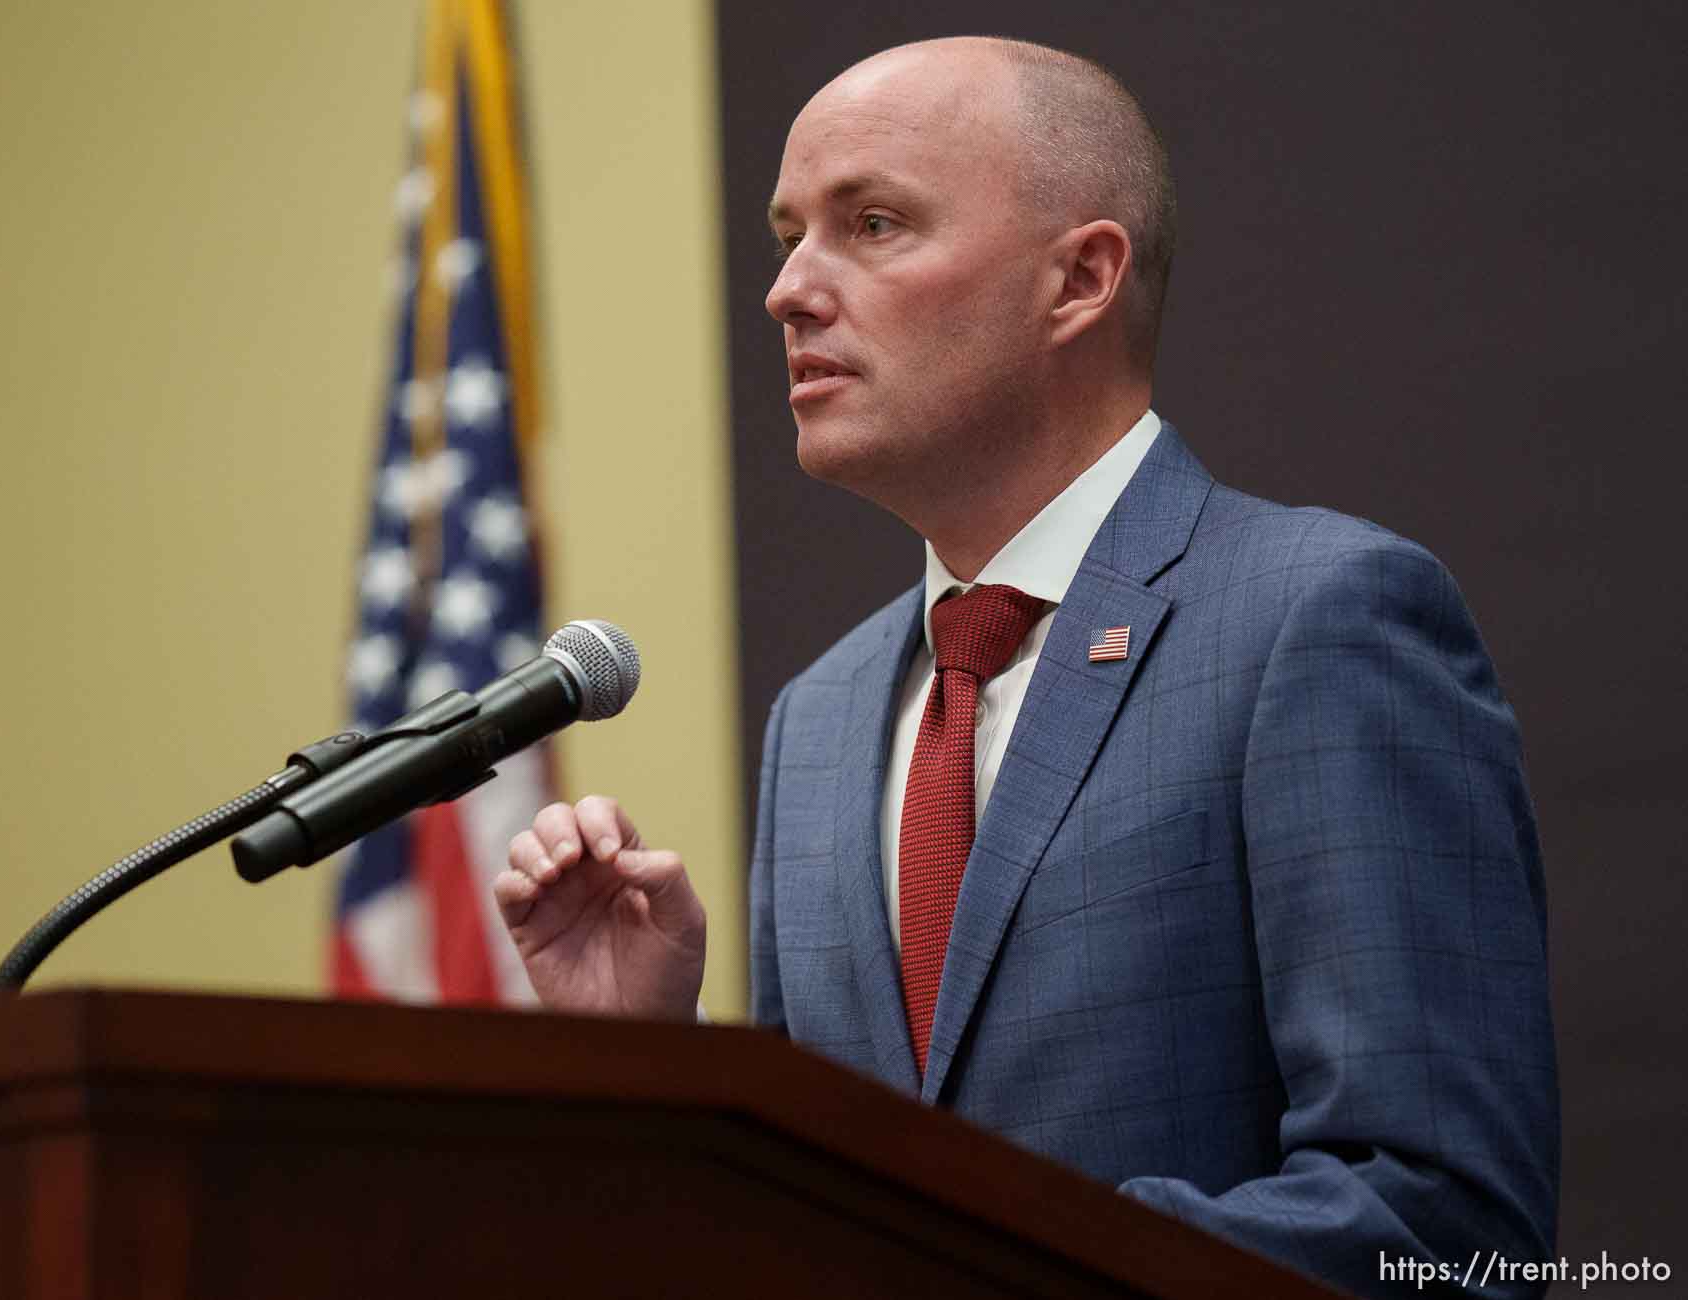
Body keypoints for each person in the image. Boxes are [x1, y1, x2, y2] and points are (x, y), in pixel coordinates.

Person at [495, 37, 1558, 1300]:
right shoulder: (821, 720)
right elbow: (805, 1222)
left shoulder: (1318, 620)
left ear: (1080, 279)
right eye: (786, 236)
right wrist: (662, 1066)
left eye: (872, 223)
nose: (786, 289)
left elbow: (1442, 1222)